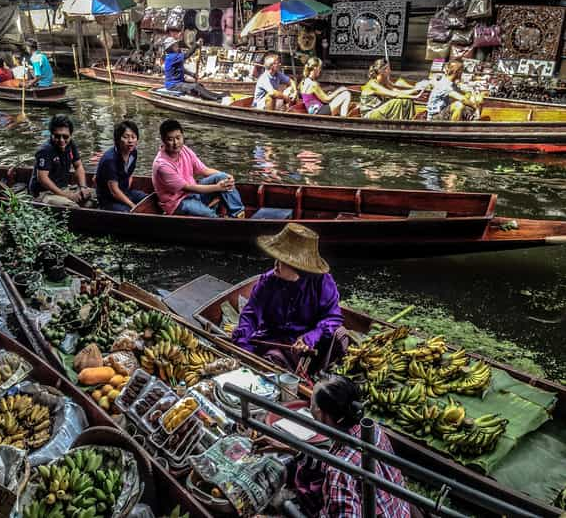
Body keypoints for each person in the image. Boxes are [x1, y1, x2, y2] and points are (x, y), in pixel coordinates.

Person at [231, 223, 350, 373]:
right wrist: (243, 345)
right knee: (274, 359)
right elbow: (251, 315)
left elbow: (333, 316)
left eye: (282, 261)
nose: (276, 264)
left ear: (298, 268)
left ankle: (320, 370)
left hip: (310, 343)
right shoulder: (268, 281)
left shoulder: (322, 282)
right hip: (277, 341)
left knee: (341, 336)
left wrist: (311, 336)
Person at [295, 375, 411, 518]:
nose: (310, 407)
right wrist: (293, 451)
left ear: (320, 412)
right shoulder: (372, 429)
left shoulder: (339, 471)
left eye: (312, 404)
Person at [152, 118, 244, 218]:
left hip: (194, 192)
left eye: (178, 138)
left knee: (222, 177)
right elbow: (188, 188)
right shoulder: (162, 165)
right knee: (210, 215)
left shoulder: (184, 150)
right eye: (170, 139)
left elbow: (204, 170)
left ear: (183, 136)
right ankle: (215, 215)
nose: (175, 143)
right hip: (177, 203)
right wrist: (218, 187)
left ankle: (238, 214)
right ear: (163, 140)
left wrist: (227, 176)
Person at [29, 114, 91, 207]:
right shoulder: (45, 150)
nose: (61, 140)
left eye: (65, 137)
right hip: (44, 192)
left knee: (94, 197)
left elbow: (78, 166)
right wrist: (67, 196)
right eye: (57, 136)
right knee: (73, 208)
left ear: (70, 135)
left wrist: (83, 187)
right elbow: (42, 178)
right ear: (51, 134)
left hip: (63, 188)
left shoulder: (70, 144)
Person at [95, 120, 147, 212]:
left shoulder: (133, 153)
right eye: (126, 137)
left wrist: (126, 194)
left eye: (133, 137)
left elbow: (129, 174)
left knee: (145, 198)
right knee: (127, 211)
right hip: (108, 199)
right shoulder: (110, 160)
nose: (130, 141)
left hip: (124, 191)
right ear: (118, 139)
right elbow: (114, 191)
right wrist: (132, 205)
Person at [163, 37, 223, 101]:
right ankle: (214, 99)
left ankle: (215, 95)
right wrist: (196, 45)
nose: (177, 46)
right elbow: (187, 55)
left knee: (199, 85)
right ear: (171, 48)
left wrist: (192, 74)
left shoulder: (174, 56)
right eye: (175, 45)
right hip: (173, 85)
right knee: (195, 86)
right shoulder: (172, 57)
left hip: (179, 82)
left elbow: (181, 69)